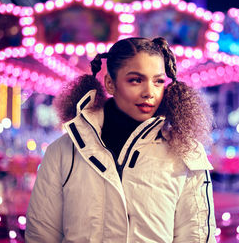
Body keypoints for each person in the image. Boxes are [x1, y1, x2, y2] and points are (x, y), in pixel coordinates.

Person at [25, 37, 217, 243]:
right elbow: (41, 235)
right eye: (136, 80)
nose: (149, 92)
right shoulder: (64, 152)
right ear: (110, 83)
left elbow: (197, 236)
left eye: (158, 81)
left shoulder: (186, 153)